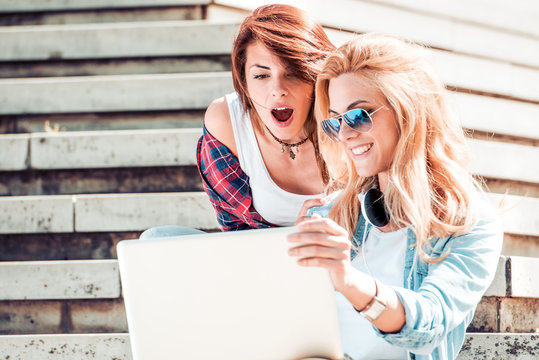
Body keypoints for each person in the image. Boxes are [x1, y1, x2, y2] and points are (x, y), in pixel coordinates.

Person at [287, 33, 503, 360]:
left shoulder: (470, 225)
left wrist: (348, 280)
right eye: (335, 122)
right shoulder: (327, 216)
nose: (345, 134)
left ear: (408, 112)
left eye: (359, 115)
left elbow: (429, 322)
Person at [196, 4, 335, 231]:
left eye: (293, 73)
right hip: (268, 255)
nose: (278, 89)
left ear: (315, 76)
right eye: (261, 75)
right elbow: (236, 230)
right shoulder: (227, 123)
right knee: (157, 237)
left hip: (350, 255)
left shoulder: (345, 114)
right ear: (244, 83)